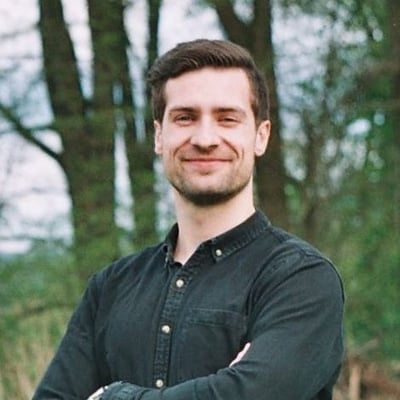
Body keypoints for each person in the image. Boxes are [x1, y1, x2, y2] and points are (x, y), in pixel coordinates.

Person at [33, 39, 344, 400]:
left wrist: (114, 397)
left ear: (261, 136)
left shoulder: (300, 279)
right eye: (185, 118)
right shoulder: (111, 288)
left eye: (227, 119)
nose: (205, 139)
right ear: (159, 136)